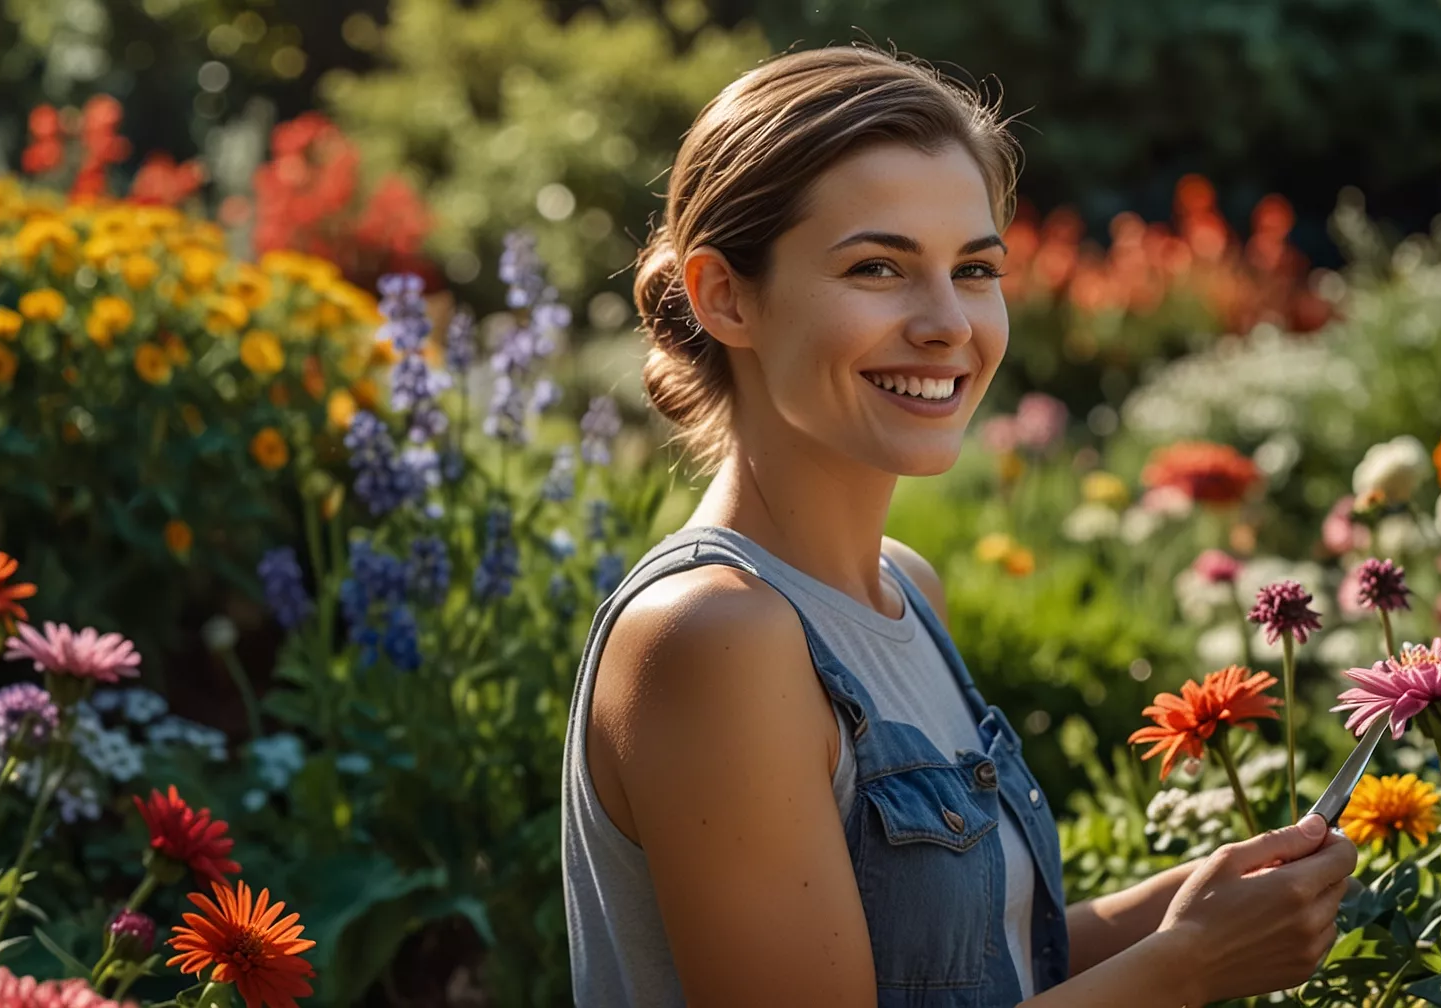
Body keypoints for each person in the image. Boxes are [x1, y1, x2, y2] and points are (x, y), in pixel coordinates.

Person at [560, 44, 1358, 1007]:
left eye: (975, 269)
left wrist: (1185, 913)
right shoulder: (714, 638)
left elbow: (981, 961)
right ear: (725, 295)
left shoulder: (905, 588)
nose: (949, 324)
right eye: (877, 267)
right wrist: (1184, 970)